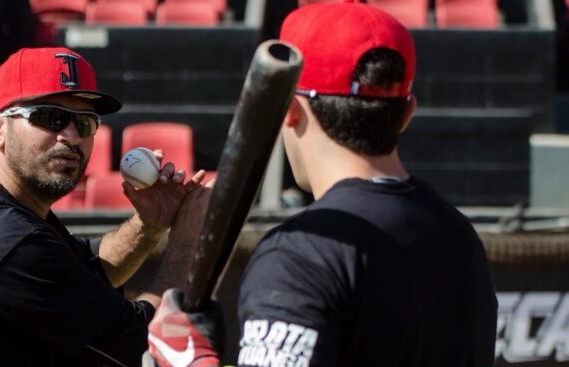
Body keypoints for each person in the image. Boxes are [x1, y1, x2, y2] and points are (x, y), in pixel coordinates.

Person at [147, 1, 498, 366]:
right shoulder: (460, 238)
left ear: (290, 111)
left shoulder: (300, 255)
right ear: (407, 113)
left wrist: (192, 361)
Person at [0, 47, 211, 367]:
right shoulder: (3, 238)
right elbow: (146, 342)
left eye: (84, 123)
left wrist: (149, 225)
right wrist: (188, 242)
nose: (70, 136)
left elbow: (92, 269)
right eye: (49, 117)